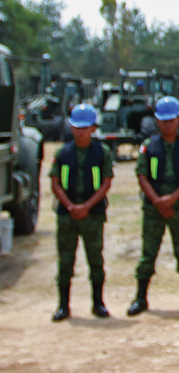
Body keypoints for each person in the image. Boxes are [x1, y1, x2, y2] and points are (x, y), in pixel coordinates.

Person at [127, 96, 179, 315]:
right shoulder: (148, 147)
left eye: (171, 120)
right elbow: (141, 175)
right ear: (156, 121)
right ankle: (140, 298)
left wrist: (171, 199)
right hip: (153, 208)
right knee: (148, 253)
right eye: (163, 120)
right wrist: (158, 201)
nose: (167, 124)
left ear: (178, 121)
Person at [49, 103, 114, 321]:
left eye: (85, 128)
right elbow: (55, 182)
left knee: (95, 258)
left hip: (92, 213)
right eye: (76, 127)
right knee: (65, 260)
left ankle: (98, 303)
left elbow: (106, 183)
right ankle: (63, 305)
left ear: (93, 128)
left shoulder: (101, 152)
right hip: (67, 214)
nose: (80, 132)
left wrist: (86, 207)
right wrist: (70, 206)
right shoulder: (62, 152)